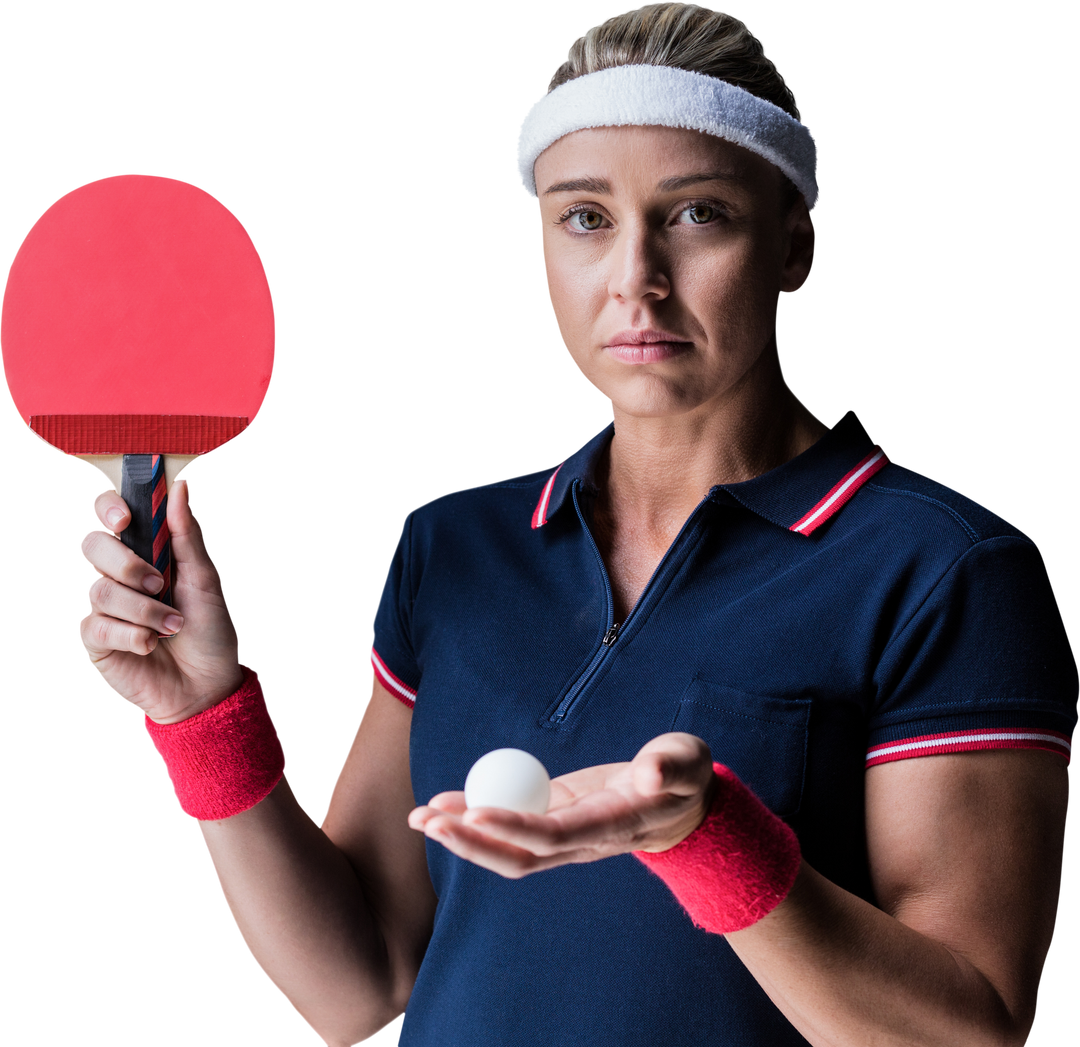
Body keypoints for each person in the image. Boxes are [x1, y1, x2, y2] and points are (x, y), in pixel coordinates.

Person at [76, 3, 1076, 1045]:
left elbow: (970, 1032)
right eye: (585, 217)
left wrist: (704, 836)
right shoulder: (450, 547)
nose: (634, 280)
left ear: (795, 246)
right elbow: (358, 987)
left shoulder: (948, 571)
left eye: (698, 215)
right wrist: (203, 715)